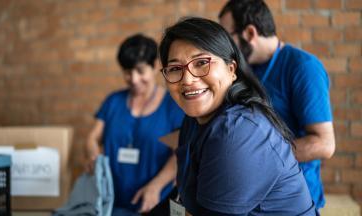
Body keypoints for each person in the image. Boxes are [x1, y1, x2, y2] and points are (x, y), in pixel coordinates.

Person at [159, 17, 316, 215]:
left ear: (231, 70)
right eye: (175, 69)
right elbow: (183, 198)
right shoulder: (193, 120)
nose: (188, 79)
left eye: (201, 63)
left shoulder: (237, 129)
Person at [218, 0, 335, 210]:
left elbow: (324, 144)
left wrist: (255, 157)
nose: (225, 49)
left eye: (228, 38)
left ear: (250, 33)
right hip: (252, 198)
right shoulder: (245, 69)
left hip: (293, 202)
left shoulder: (303, 67)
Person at [83, 33, 184, 215]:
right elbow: (92, 137)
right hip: (112, 201)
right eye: (128, 72)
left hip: (154, 203)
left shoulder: (172, 105)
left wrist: (156, 186)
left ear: (155, 66)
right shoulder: (113, 101)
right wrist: (93, 156)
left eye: (140, 71)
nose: (134, 79)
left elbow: (180, 153)